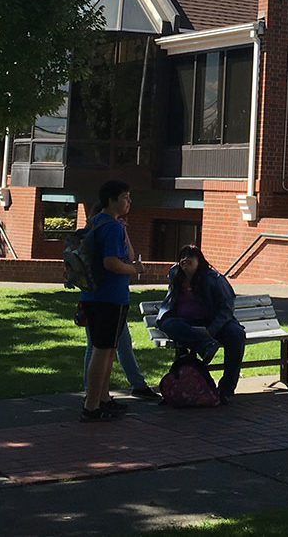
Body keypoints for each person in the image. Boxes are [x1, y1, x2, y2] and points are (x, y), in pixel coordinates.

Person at [79, 179, 146, 422]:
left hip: (92, 296)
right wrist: (134, 270)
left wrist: (124, 229)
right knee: (102, 350)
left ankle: (103, 398)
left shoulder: (97, 222)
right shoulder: (112, 228)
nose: (129, 201)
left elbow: (123, 254)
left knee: (107, 350)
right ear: (112, 200)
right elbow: (112, 262)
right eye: (125, 197)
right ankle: (92, 405)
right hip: (109, 298)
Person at [155, 245, 246, 402]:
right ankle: (206, 346)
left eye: (190, 256)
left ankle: (226, 390)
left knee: (236, 335)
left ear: (200, 260)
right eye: (182, 256)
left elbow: (226, 307)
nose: (185, 260)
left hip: (213, 320)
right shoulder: (175, 275)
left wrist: (211, 330)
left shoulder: (214, 279)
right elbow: (170, 304)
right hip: (186, 322)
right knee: (167, 323)